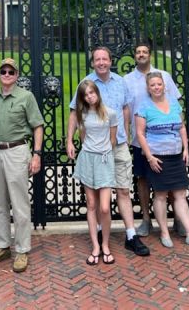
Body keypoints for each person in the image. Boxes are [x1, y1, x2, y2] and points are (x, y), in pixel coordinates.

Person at [67, 46, 150, 257]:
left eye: (105, 59)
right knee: (95, 197)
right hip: (95, 151)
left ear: (110, 61)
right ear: (93, 63)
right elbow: (74, 113)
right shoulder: (86, 83)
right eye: (97, 59)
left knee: (123, 190)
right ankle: (100, 234)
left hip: (119, 144)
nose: (101, 62)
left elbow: (125, 108)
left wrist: (128, 132)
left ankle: (131, 235)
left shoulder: (120, 82)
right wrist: (70, 140)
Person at [135, 71, 189, 249]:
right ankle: (164, 232)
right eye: (152, 85)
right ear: (148, 88)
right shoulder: (143, 106)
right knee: (161, 195)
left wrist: (186, 149)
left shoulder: (173, 103)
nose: (156, 87)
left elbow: (182, 127)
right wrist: (149, 156)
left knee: (180, 194)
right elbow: (140, 134)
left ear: (164, 85)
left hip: (176, 155)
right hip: (157, 158)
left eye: (159, 84)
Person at [0, 58, 44, 273]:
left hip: (17, 151)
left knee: (19, 203)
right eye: (3, 71)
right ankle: (2, 246)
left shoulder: (26, 97)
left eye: (11, 71)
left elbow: (38, 126)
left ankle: (22, 249)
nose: (6, 74)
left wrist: (36, 155)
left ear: (17, 75)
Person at [123, 41, 181, 236]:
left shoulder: (163, 76)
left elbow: (176, 105)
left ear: (150, 54)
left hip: (166, 139)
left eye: (144, 52)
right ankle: (146, 219)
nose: (141, 55)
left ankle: (178, 219)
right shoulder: (127, 80)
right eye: (138, 52)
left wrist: (182, 132)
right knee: (142, 178)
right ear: (134, 56)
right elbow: (125, 109)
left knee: (170, 179)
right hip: (140, 140)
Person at [71, 79, 118, 265]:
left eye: (92, 92)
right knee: (91, 204)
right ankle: (96, 246)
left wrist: (104, 152)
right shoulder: (82, 115)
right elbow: (83, 137)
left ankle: (106, 244)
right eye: (86, 95)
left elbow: (113, 139)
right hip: (87, 159)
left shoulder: (110, 113)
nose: (90, 97)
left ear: (97, 92)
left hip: (104, 160)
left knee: (105, 207)